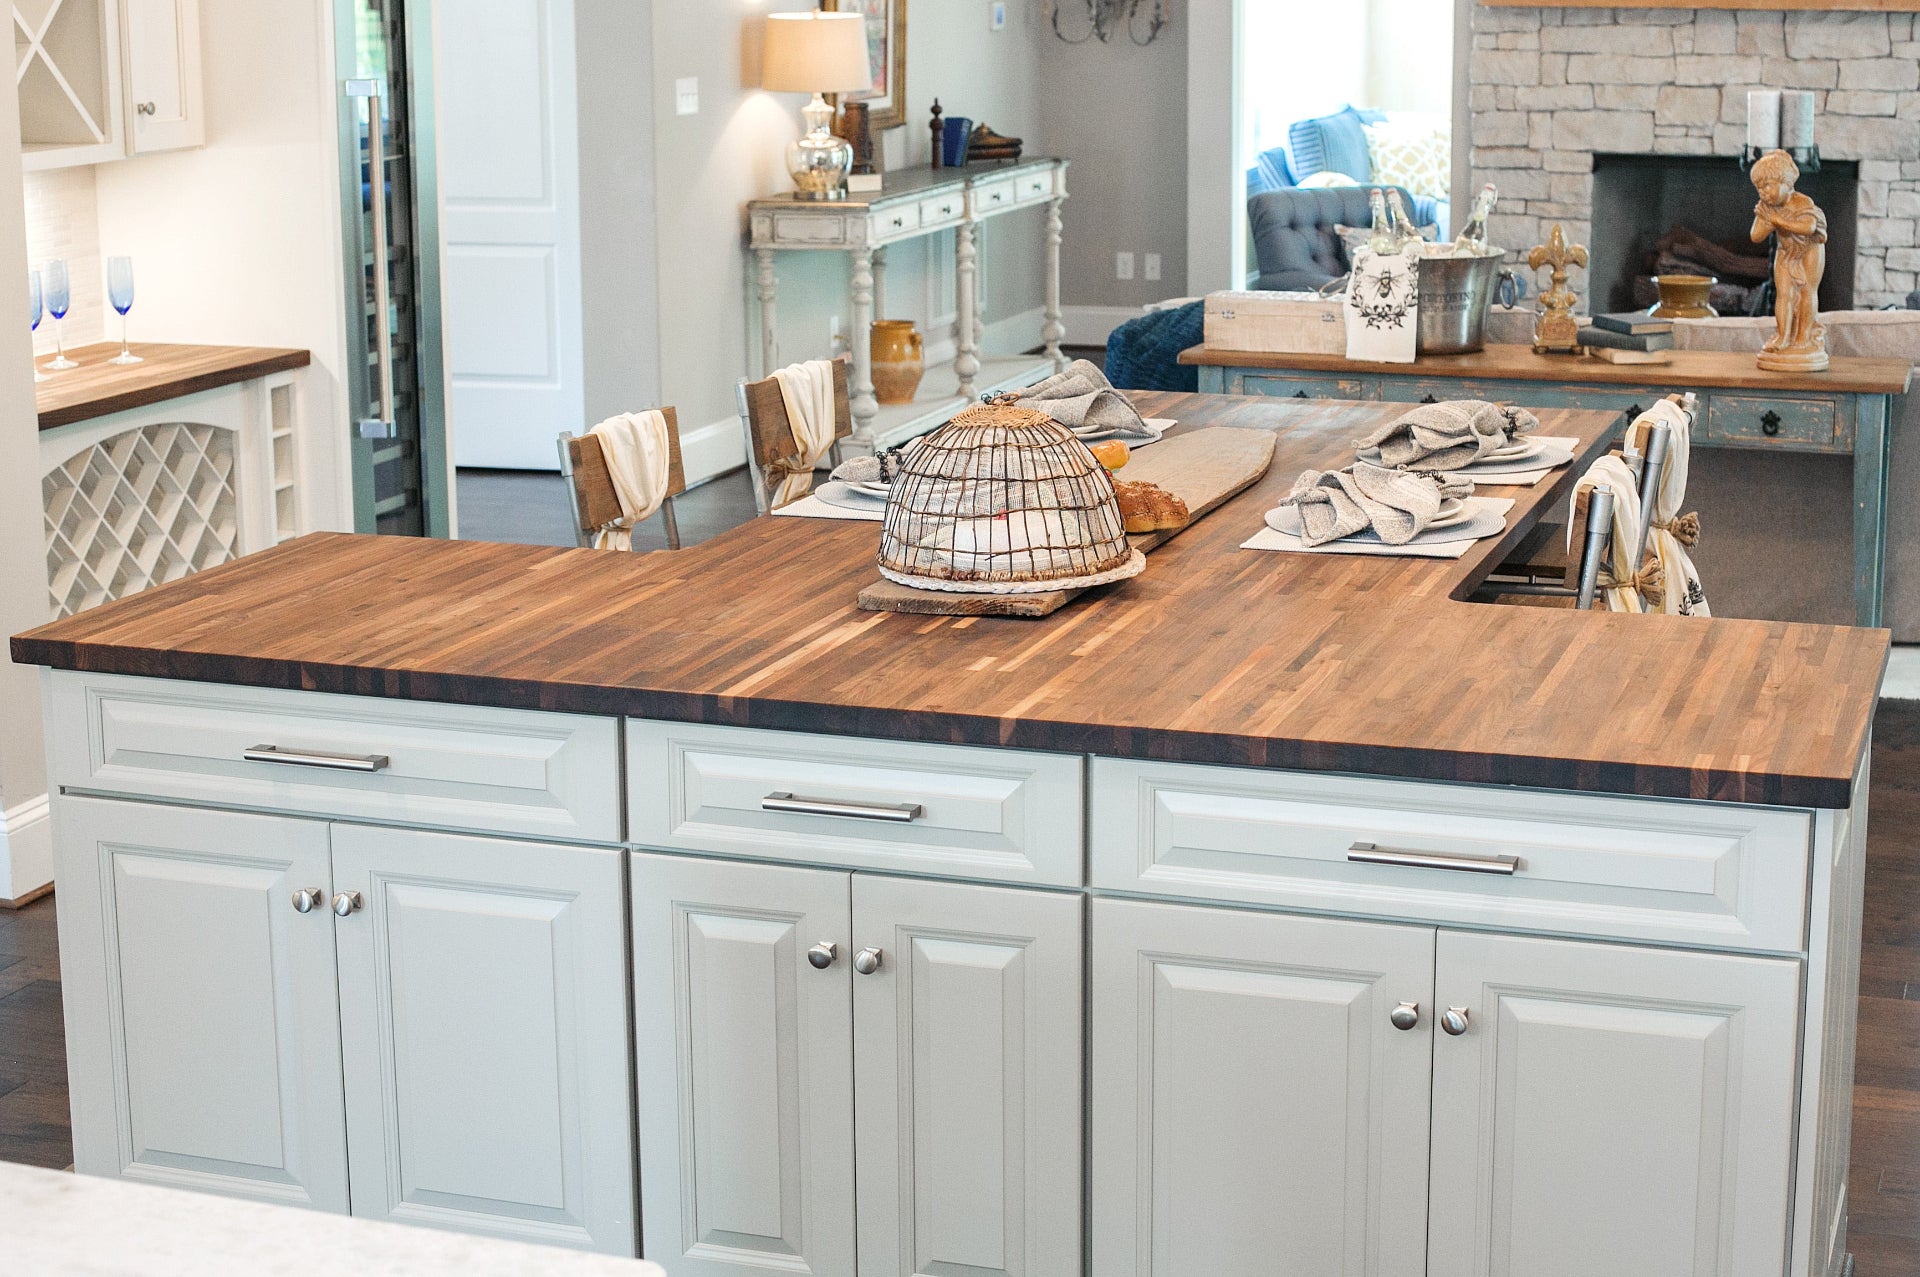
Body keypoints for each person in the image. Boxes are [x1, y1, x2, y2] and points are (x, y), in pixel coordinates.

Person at [1749, 149, 1827, 358]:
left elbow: (1808, 227)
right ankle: (1783, 336)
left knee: (1806, 292)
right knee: (1783, 294)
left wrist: (1777, 221)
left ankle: (1803, 337)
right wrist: (1766, 221)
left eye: (1767, 186)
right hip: (1785, 252)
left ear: (1786, 183)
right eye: (1758, 188)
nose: (1762, 193)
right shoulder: (1767, 206)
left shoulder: (1802, 202)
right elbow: (1756, 236)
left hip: (1809, 249)